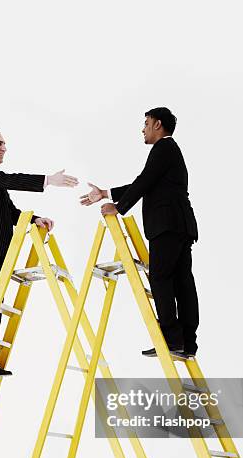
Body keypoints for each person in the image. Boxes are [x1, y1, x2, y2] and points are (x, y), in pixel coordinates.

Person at [0, 127, 78, 375]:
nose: (4, 148)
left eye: (5, 144)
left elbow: (10, 212)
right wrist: (48, 180)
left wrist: (34, 219)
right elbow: (9, 179)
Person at [80, 107, 199, 358]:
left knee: (161, 278)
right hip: (180, 225)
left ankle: (171, 338)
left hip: (166, 225)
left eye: (146, 123)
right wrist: (105, 193)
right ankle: (187, 343)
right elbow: (146, 182)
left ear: (157, 124)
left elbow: (144, 181)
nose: (142, 129)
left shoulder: (164, 148)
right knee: (182, 283)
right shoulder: (170, 151)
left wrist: (118, 208)